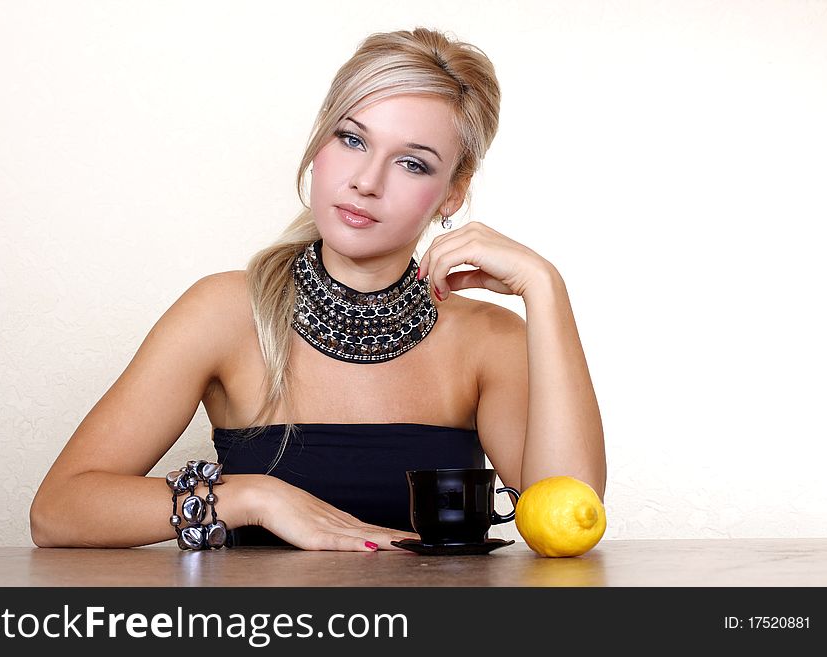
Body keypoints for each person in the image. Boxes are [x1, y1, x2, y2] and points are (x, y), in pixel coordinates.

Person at [30, 27, 606, 552]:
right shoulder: (225, 313)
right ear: (320, 144)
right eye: (353, 140)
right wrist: (251, 496)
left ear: (453, 194)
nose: (365, 181)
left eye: (412, 163)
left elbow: (568, 519)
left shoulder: (489, 339)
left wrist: (544, 288)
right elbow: (58, 512)